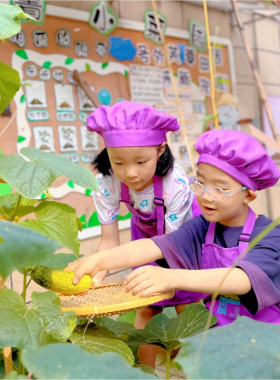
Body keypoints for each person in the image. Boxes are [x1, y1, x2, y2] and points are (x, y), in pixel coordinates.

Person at [68, 129, 280, 328]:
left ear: (248, 194)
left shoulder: (269, 233)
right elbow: (153, 246)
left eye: (219, 188)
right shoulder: (201, 228)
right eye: (200, 183)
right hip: (216, 340)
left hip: (262, 341)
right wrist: (98, 261)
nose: (205, 195)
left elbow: (242, 280)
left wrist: (170, 277)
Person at [86, 101, 202, 365]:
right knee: (146, 303)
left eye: (141, 161)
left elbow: (172, 246)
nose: (131, 173)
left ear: (161, 149)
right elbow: (109, 241)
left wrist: (165, 278)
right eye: (118, 162)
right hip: (145, 238)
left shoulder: (177, 184)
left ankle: (192, 362)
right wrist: (95, 281)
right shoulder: (106, 182)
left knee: (188, 305)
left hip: (183, 240)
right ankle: (146, 368)